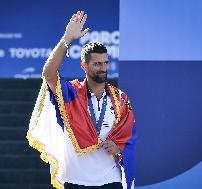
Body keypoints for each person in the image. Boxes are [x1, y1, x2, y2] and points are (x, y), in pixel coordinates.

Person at [27, 11, 136, 189]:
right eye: (97, 64)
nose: (103, 68)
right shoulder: (71, 93)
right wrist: (66, 39)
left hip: (110, 181)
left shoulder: (120, 98)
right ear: (84, 66)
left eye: (105, 63)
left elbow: (130, 137)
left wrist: (119, 147)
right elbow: (48, 75)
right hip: (75, 180)